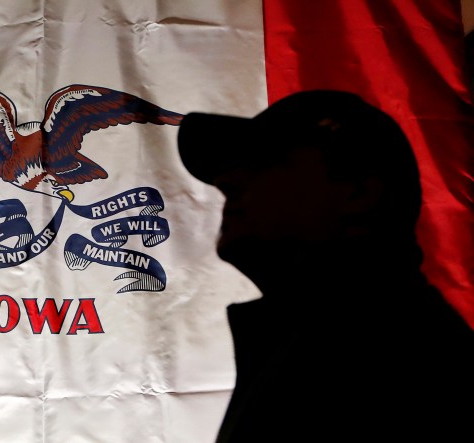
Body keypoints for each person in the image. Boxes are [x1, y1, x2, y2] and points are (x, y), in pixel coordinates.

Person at [177, 90, 474, 443]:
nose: (225, 183)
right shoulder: (338, 339)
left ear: (358, 194)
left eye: (266, 161)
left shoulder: (394, 355)